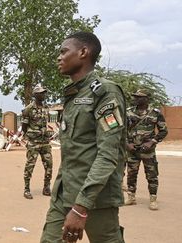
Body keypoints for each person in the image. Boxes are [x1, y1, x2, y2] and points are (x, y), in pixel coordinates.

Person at [40, 32, 126, 243]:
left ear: (83, 52)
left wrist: (81, 207)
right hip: (65, 192)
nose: (59, 58)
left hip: (95, 198)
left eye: (63, 51)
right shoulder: (74, 94)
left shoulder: (104, 92)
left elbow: (108, 155)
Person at [125, 89, 168, 210]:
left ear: (146, 99)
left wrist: (152, 142)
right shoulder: (128, 113)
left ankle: (153, 199)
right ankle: (131, 197)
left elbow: (163, 131)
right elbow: (121, 130)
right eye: (135, 96)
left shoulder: (155, 113)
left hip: (147, 151)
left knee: (152, 175)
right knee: (131, 174)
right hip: (132, 150)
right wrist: (127, 144)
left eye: (139, 97)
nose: (136, 99)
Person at [22, 84, 53, 199]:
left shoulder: (46, 107)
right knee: (30, 165)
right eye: (41, 93)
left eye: (44, 92)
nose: (44, 94)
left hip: (45, 142)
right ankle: (26, 189)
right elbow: (24, 126)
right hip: (33, 142)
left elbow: (45, 123)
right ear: (35, 95)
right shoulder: (28, 109)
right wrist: (30, 136)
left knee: (49, 165)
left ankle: (46, 187)